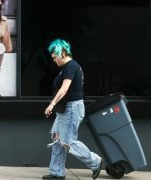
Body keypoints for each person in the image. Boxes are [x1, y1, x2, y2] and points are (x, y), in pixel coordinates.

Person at [43, 39, 102, 180]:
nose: (54, 60)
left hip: (71, 108)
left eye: (55, 57)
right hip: (66, 109)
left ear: (62, 53)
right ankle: (57, 172)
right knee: (57, 138)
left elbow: (64, 89)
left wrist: (51, 104)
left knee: (68, 141)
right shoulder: (70, 67)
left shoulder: (70, 66)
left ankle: (95, 161)